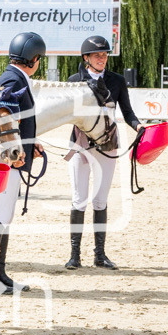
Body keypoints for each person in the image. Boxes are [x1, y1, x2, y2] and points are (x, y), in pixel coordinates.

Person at [64, 35, 140, 270]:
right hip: (82, 144)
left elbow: (127, 112)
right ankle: (74, 255)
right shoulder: (75, 80)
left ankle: (100, 255)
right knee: (79, 200)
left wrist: (139, 127)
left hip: (108, 145)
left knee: (100, 200)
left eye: (105, 54)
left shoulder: (116, 81)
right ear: (86, 58)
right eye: (97, 55)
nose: (102, 58)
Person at [0, 32, 46, 294]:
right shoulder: (11, 80)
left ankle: (0, 274)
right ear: (34, 59)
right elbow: (1, 122)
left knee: (4, 215)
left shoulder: (15, 77)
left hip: (12, 158)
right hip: (5, 161)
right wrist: (16, 152)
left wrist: (33, 143)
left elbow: (17, 122)